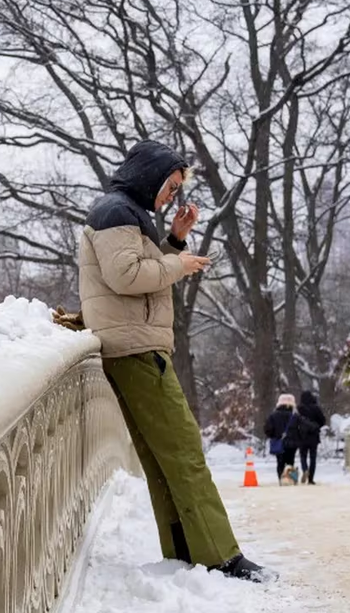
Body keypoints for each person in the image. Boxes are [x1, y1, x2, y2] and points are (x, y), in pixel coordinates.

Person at [78, 140, 269, 582]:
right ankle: (221, 556)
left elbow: (138, 265)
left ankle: (185, 549)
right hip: (137, 351)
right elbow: (126, 276)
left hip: (132, 348)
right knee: (184, 452)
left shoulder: (121, 211)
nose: (173, 195)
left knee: (164, 458)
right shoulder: (116, 212)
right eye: (171, 184)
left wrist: (173, 241)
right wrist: (179, 264)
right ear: (152, 174)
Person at [264, 394, 299, 483]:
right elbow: (300, 429)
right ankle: (290, 478)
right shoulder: (295, 416)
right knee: (290, 461)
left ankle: (281, 478)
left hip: (278, 441)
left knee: (280, 462)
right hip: (292, 443)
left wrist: (274, 436)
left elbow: (268, 429)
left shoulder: (273, 416)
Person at [296, 390, 327, 485]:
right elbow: (323, 420)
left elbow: (295, 422)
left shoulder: (299, 409)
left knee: (303, 456)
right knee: (313, 457)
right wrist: (316, 426)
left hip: (302, 436)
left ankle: (305, 469)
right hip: (313, 436)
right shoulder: (316, 408)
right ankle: (311, 479)